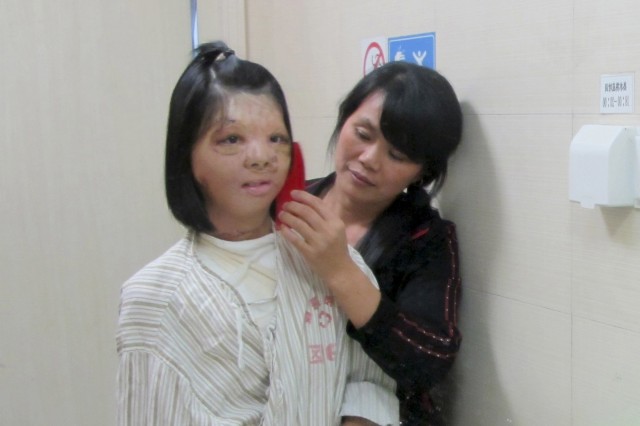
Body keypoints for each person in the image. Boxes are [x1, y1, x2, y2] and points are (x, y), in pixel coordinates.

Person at [116, 41, 398, 425]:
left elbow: (370, 380)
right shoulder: (153, 297)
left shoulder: (329, 260)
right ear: (189, 159)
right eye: (231, 139)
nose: (262, 157)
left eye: (276, 139)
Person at [278, 61, 463, 425]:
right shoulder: (290, 200)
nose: (369, 159)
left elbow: (431, 361)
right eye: (362, 134)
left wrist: (340, 271)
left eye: (397, 155)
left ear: (422, 172)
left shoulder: (425, 238)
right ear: (344, 119)